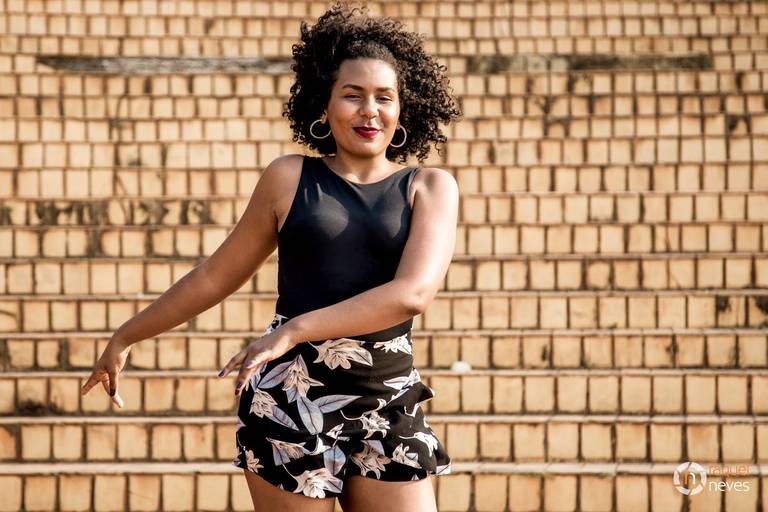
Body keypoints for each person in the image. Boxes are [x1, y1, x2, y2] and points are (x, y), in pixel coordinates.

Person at [81, 2, 462, 511]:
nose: (369, 110)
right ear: (324, 105)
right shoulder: (288, 177)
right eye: (352, 95)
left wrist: (293, 330)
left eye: (383, 97)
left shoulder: (430, 187)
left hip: (387, 398)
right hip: (288, 398)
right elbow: (216, 276)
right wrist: (127, 335)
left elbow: (412, 294)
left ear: (402, 109)